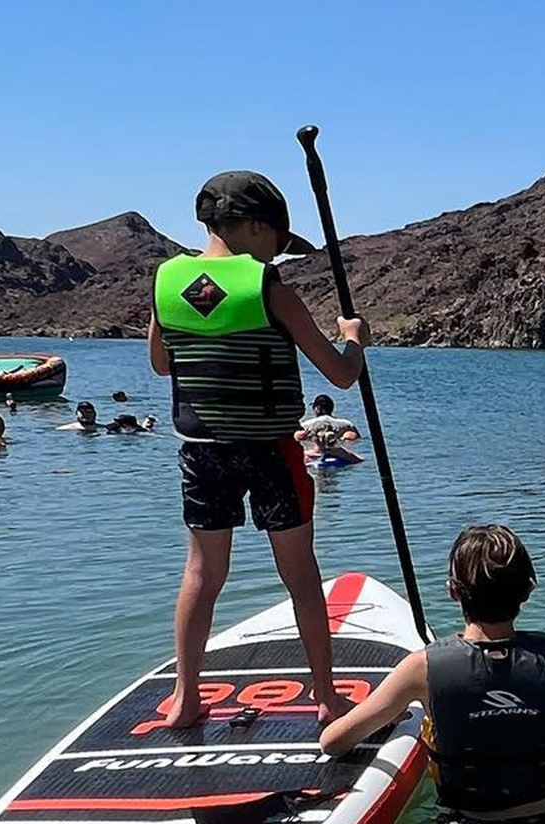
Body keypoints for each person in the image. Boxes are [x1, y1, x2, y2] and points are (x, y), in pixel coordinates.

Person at [147, 169, 370, 728]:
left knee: (201, 572)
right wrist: (354, 338)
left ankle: (186, 697)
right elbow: (340, 375)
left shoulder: (166, 282)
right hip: (271, 450)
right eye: (276, 240)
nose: (278, 253)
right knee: (299, 573)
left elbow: (161, 363)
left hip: (201, 450)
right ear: (251, 226)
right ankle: (326, 697)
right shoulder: (271, 289)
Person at [321, 525, 545, 824]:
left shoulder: (421, 668)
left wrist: (389, 717)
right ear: (527, 591)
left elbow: (332, 742)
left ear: (453, 591)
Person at [295, 394, 360, 460]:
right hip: (340, 454)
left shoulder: (305, 425)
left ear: (317, 408)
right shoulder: (347, 424)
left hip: (315, 455)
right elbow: (354, 438)